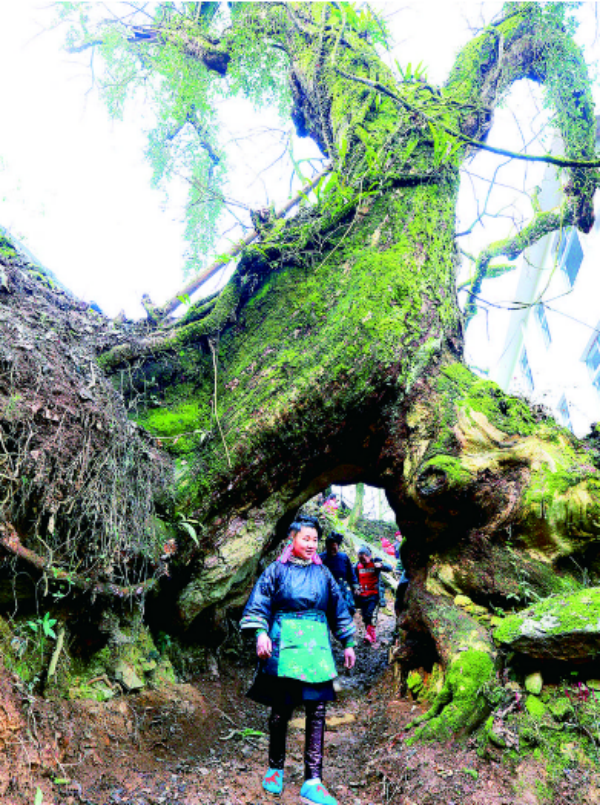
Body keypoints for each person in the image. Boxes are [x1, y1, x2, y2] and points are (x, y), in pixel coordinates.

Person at [240, 515, 356, 805]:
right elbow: (259, 604)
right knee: (281, 710)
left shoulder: (323, 573)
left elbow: (338, 608)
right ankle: (275, 768)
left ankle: (313, 780)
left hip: (316, 648)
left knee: (317, 711)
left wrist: (348, 643)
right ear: (292, 539)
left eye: (315, 539)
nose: (311, 544)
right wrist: (260, 634)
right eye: (306, 538)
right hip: (285, 646)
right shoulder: (276, 571)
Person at [354, 546, 392, 645]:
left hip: (374, 595)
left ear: (369, 556)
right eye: (360, 560)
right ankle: (370, 635)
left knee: (371, 615)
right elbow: (353, 578)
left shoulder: (375, 564)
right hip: (362, 596)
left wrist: (381, 565)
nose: (362, 562)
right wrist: (355, 588)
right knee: (365, 616)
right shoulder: (357, 566)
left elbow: (390, 568)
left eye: (364, 559)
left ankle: (369, 636)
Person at [319, 531, 358, 615]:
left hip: (343, 587)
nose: (332, 550)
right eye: (329, 548)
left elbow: (351, 573)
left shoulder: (343, 557)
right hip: (326, 587)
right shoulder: (321, 558)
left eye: (334, 548)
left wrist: (355, 586)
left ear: (338, 546)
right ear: (326, 547)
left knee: (349, 609)